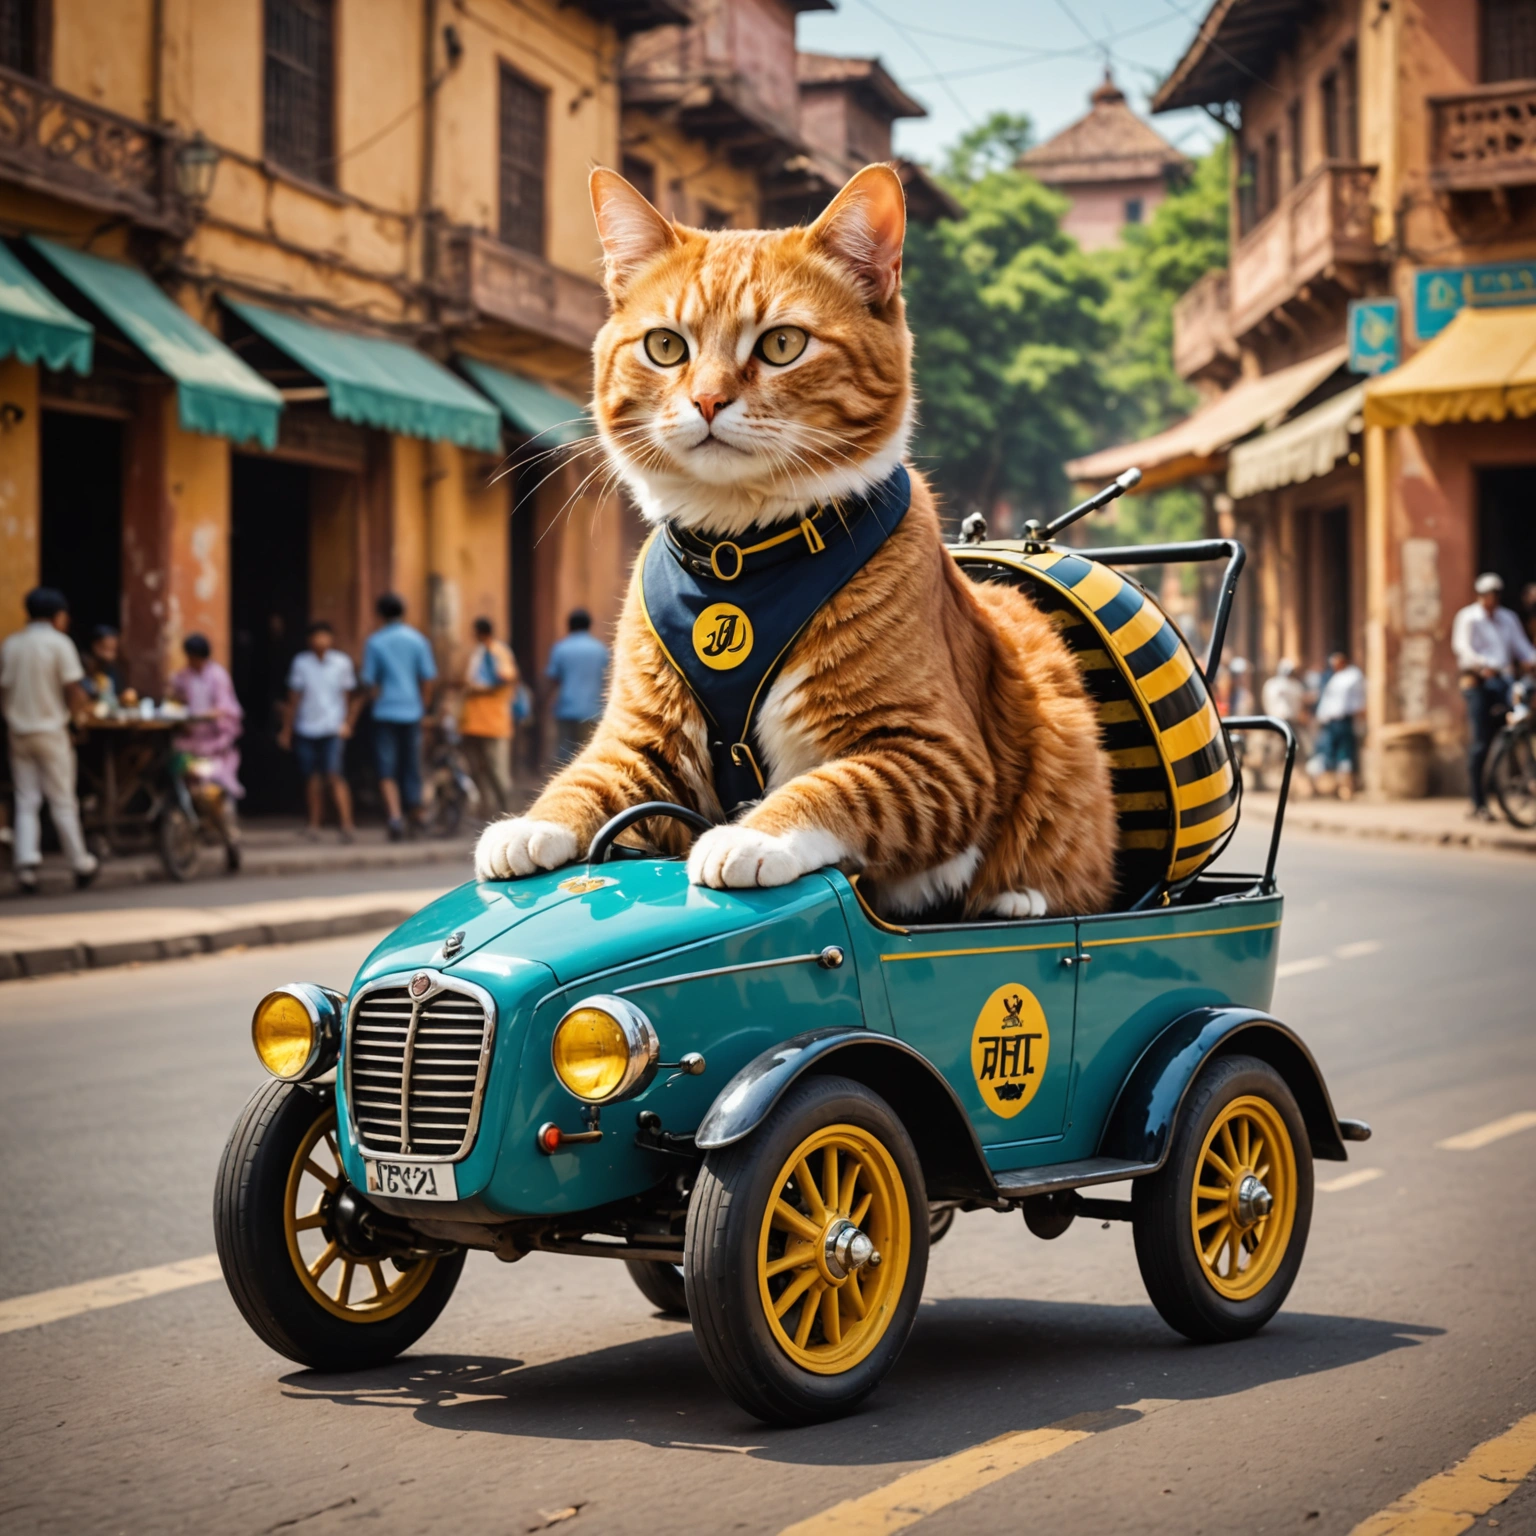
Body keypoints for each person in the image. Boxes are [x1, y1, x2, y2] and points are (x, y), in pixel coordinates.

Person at [0, 587, 99, 893]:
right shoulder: (59, 644)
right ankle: (80, 861)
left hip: (18, 731)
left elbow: (4, 688)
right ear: (57, 616)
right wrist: (77, 719)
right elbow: (73, 687)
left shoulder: (11, 645)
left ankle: (26, 865)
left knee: (26, 799)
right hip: (51, 729)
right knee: (62, 801)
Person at [1452, 572, 1536, 819]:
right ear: (1480, 596)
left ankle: (1517, 785)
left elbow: (1522, 648)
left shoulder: (1507, 618)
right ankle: (1478, 802)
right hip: (1478, 683)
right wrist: (1480, 665)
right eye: (1488, 595)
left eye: (1496, 595)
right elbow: (1462, 648)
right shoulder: (1468, 618)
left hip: (1504, 682)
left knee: (1518, 729)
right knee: (1480, 743)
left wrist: (1531, 661)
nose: (1492, 600)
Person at [361, 593, 436, 840]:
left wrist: (374, 698)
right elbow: (428, 678)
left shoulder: (375, 642)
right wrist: (422, 708)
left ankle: (394, 817)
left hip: (384, 712)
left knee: (386, 768)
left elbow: (369, 681)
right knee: (412, 764)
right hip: (412, 711)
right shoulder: (418, 640)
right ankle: (416, 812)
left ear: (380, 615)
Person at [168, 632, 245, 868]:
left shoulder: (217, 677)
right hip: (190, 745)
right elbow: (174, 700)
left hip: (215, 747)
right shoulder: (182, 677)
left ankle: (231, 840)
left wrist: (202, 716)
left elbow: (225, 710)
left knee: (218, 795)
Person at [278, 621, 359, 842]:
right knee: (312, 778)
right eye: (316, 636)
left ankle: (347, 825)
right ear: (309, 640)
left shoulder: (342, 663)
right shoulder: (301, 663)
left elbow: (348, 697)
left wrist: (347, 723)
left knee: (334, 775)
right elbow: (293, 698)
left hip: (333, 727)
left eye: (324, 636)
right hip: (307, 727)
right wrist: (287, 730)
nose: (320, 641)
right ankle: (314, 824)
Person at [460, 616, 517, 818]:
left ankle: (506, 811)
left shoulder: (496, 652)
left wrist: (479, 688)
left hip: (493, 722)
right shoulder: (478, 652)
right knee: (479, 770)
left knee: (497, 771)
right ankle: (486, 811)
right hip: (474, 722)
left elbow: (505, 677)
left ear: (478, 631)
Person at [546, 608, 609, 764]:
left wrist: (546, 701)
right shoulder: (600, 649)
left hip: (566, 709)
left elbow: (553, 679)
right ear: (589, 626)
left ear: (569, 625)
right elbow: (608, 679)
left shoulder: (560, 648)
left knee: (565, 754)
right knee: (589, 754)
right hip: (592, 710)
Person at [1307, 649, 1366, 799]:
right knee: (1327, 753)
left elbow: (1356, 701)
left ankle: (1346, 789)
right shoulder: (1335, 677)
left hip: (1344, 720)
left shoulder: (1353, 676)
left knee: (1344, 753)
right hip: (1330, 722)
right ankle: (1328, 788)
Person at [1260, 658, 1306, 789]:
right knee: (1278, 750)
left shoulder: (1293, 685)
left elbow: (1299, 704)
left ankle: (1291, 780)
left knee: (1293, 750)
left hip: (1287, 722)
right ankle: (1275, 776)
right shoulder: (1275, 684)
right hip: (1279, 721)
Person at [80, 625, 126, 710]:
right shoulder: (84, 670)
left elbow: (117, 696)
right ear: (96, 647)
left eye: (114, 650)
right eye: (108, 649)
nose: (112, 655)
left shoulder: (112, 671)